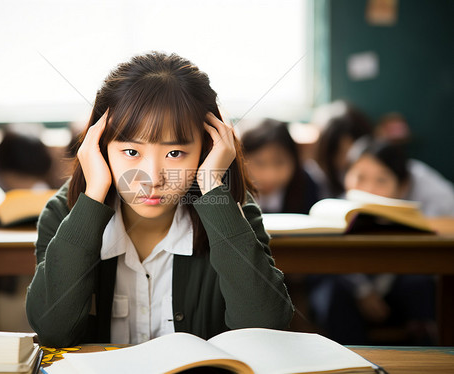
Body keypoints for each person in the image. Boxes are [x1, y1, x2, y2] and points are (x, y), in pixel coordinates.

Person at [25, 52, 294, 347]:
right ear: (99, 147)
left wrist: (210, 184)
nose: (152, 178)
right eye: (131, 152)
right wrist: (94, 194)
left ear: (206, 150)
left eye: (175, 153)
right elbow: (53, 329)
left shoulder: (233, 209)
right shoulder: (65, 212)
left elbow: (265, 327)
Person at [309, 139, 444, 345]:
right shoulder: (337, 211)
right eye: (360, 177)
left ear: (402, 186)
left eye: (381, 180)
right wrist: (363, 291)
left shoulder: (413, 217)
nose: (368, 189)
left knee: (419, 284)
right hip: (351, 296)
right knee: (333, 292)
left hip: (395, 295)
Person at [240, 118, 320, 214]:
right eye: (259, 163)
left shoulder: (306, 185)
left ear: (294, 159)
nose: (270, 176)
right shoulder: (231, 189)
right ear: (242, 160)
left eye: (279, 163)